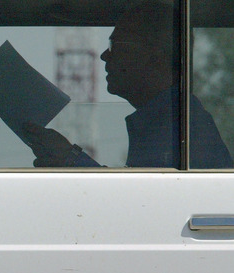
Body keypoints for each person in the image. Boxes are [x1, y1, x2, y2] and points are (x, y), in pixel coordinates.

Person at [24, 1, 233, 169]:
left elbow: (143, 204)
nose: (105, 55)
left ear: (155, 57)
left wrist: (70, 160)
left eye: (116, 45)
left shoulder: (177, 128)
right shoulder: (173, 119)